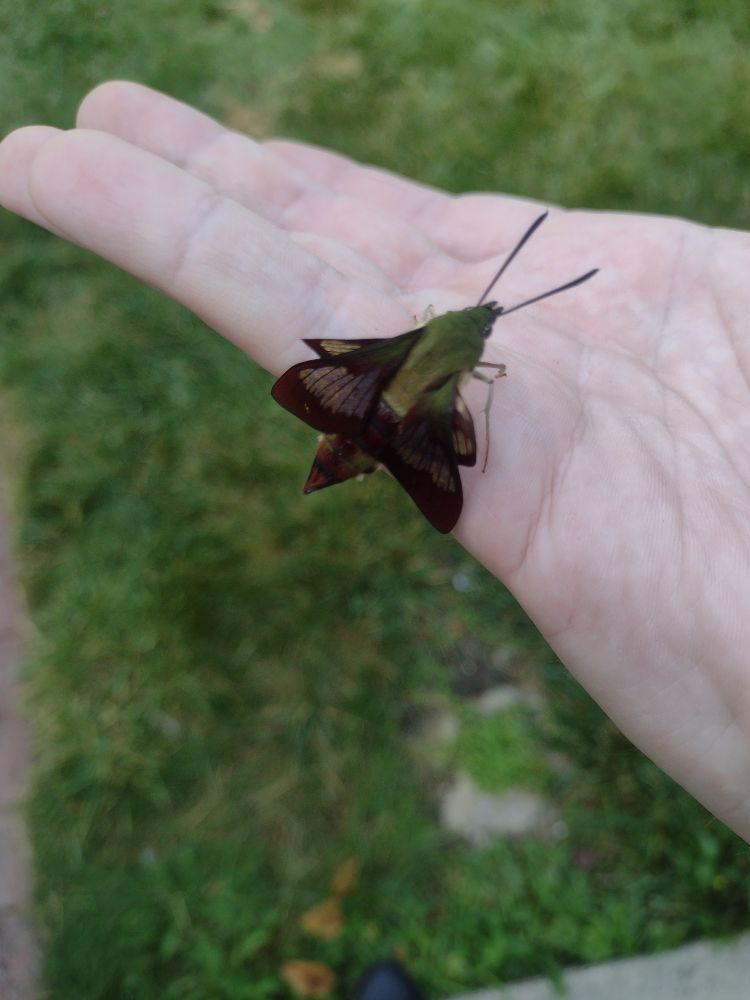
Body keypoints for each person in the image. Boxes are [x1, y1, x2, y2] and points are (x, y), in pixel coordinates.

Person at [2, 82, 750, 849]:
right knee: (426, 433)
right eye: (480, 322)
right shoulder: (476, 365)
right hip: (397, 417)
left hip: (369, 386)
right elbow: (474, 373)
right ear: (472, 339)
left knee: (350, 381)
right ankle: (376, 447)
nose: (482, 323)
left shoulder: (440, 328)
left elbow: (442, 335)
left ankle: (364, 441)